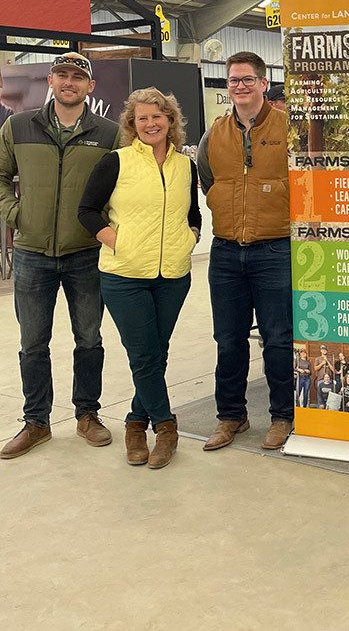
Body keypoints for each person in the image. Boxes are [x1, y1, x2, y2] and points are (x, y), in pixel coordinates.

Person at [0, 53, 119, 459]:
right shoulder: (18, 125)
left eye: (78, 77)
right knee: (33, 343)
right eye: (63, 75)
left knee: (89, 339)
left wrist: (104, 228)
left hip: (86, 252)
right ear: (50, 81)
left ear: (90, 86)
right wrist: (16, 215)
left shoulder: (109, 132)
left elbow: (122, 186)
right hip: (32, 253)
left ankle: (88, 414)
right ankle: (36, 422)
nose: (70, 82)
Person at [78, 88, 200, 469]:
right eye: (142, 118)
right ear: (132, 124)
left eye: (158, 117)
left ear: (171, 122)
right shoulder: (116, 161)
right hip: (125, 275)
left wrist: (190, 237)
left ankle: (134, 422)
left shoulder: (185, 165)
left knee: (155, 354)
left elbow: (193, 212)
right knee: (144, 354)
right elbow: (86, 211)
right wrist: (117, 241)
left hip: (174, 275)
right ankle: (166, 428)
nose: (150, 124)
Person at [197, 51, 293, 451]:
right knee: (229, 339)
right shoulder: (213, 133)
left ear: (264, 82)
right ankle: (231, 415)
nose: (239, 86)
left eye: (247, 79)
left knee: (278, 338)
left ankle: (283, 416)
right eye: (232, 80)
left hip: (276, 249)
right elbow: (206, 178)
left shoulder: (289, 128)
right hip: (225, 252)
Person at [314, 344, 335, 409]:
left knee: (330, 395)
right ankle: (320, 406)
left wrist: (327, 362)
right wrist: (322, 363)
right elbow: (315, 368)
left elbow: (333, 370)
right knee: (320, 395)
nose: (324, 351)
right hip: (321, 379)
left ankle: (328, 407)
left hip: (329, 380)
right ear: (320, 350)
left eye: (325, 349)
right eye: (323, 349)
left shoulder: (330, 359)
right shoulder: (318, 359)